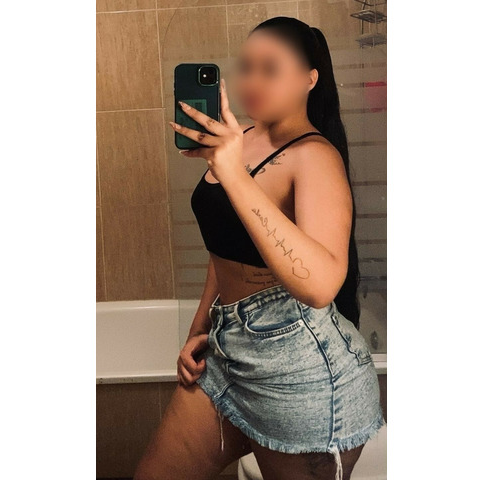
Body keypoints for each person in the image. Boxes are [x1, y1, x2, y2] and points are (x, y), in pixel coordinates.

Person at [134, 16, 385, 480]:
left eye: (270, 69)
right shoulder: (241, 139)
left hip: (301, 372)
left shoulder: (315, 157)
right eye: (246, 67)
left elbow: (321, 286)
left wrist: (231, 172)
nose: (252, 81)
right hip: (227, 350)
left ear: (310, 79)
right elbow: (226, 244)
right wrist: (199, 327)